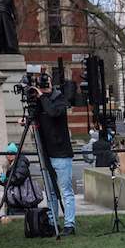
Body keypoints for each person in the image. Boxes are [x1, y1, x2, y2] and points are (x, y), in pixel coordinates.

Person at [33, 71, 77, 235]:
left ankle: (69, 224)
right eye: (41, 83)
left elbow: (52, 112)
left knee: (65, 191)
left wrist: (42, 97)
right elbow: (35, 116)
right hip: (46, 153)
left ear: (52, 83)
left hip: (61, 153)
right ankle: (52, 223)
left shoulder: (60, 99)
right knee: (50, 191)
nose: (44, 85)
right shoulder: (39, 101)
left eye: (46, 82)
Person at [0, 143, 48, 236]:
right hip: (16, 197)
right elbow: (11, 181)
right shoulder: (9, 164)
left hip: (22, 196)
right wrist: (1, 180)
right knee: (14, 217)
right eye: (7, 153)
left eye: (11, 153)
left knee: (24, 216)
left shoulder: (21, 162)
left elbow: (18, 178)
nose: (9, 155)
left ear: (16, 153)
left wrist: (5, 180)